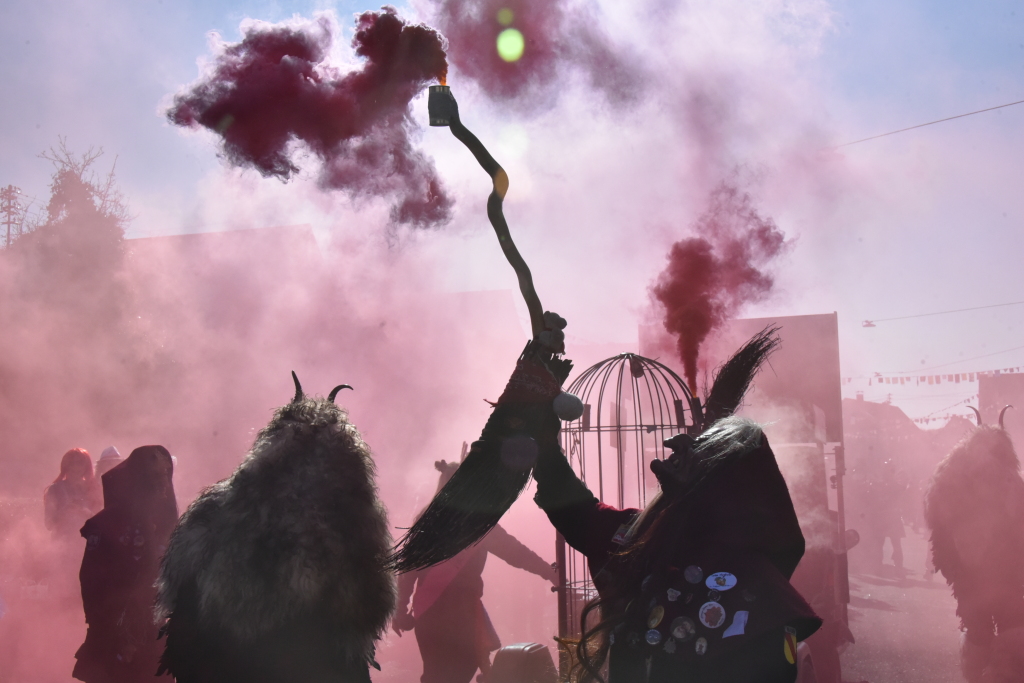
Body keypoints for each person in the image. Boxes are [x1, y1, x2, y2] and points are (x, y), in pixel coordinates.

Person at [531, 330, 820, 683]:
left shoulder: (760, 605)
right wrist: (539, 436)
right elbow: (577, 512)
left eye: (697, 450)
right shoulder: (640, 537)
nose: (674, 444)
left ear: (724, 485)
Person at [155, 374, 394, 683]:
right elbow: (365, 613)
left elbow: (181, 596)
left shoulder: (216, 509)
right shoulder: (357, 522)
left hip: (232, 664)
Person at [393, 458, 557, 683]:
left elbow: (407, 571)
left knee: (438, 674)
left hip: (430, 611)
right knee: (455, 671)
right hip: (460, 613)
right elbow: (516, 553)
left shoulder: (426, 520)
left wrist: (401, 609)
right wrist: (548, 571)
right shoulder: (477, 523)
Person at [924, 413, 1024, 683]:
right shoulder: (1011, 480)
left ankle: (984, 675)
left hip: (978, 576)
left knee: (981, 630)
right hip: (1003, 576)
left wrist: (951, 566)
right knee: (1008, 627)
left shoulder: (948, 478)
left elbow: (937, 524)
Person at [73, 445, 178, 683]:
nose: (162, 482)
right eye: (154, 476)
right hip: (114, 633)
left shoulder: (169, 524)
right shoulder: (106, 524)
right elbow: (90, 580)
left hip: (156, 635)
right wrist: (111, 628)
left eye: (165, 474)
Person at [44, 448, 103, 538]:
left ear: (86, 466)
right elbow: (48, 525)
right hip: (62, 543)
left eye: (80, 463)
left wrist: (84, 512)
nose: (75, 467)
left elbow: (102, 523)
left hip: (88, 543)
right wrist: (64, 513)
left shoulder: (94, 489)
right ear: (65, 466)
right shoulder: (55, 489)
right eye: (71, 463)